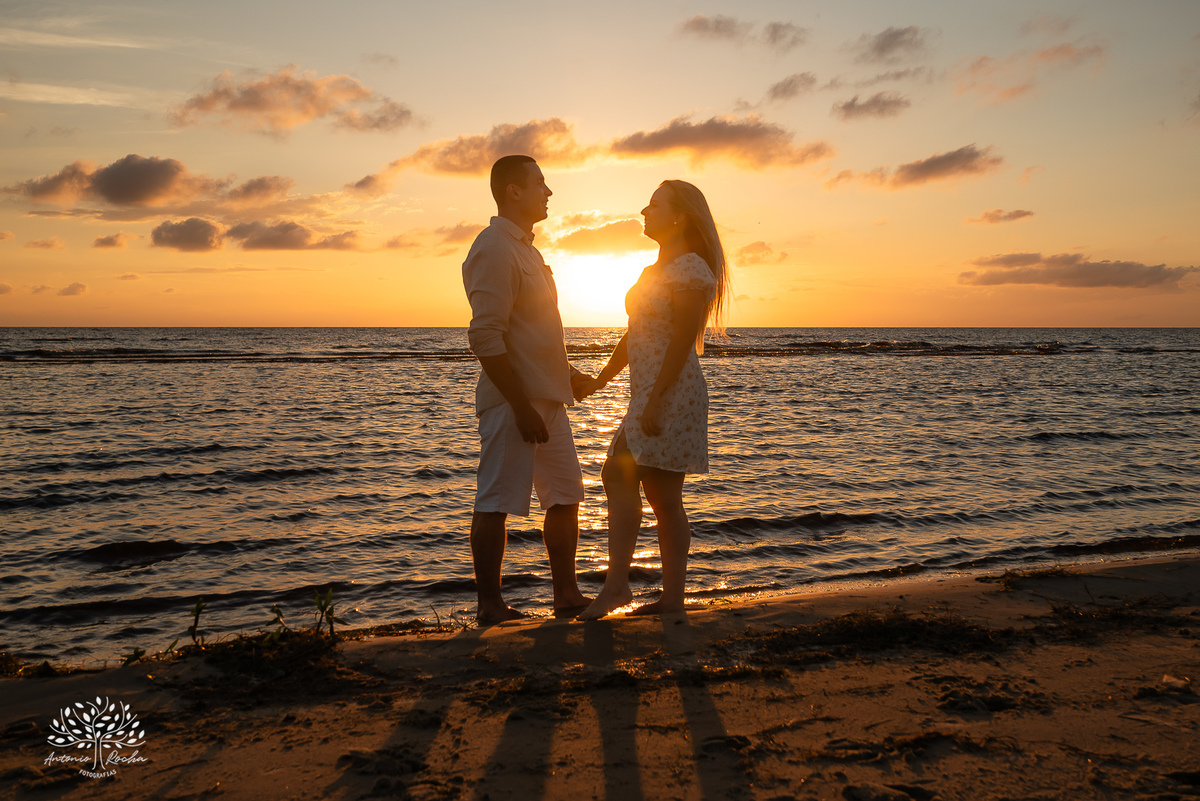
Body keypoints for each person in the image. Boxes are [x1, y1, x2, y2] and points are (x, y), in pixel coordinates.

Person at [576, 180, 731, 620]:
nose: (645, 211)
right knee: (662, 497)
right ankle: (669, 600)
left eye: (655, 204)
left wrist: (656, 400)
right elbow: (635, 336)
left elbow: (683, 340)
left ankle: (618, 587)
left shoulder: (691, 269)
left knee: (617, 474)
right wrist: (603, 379)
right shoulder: (653, 273)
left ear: (679, 215)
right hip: (648, 392)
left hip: (672, 392)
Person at [461, 154, 593, 624]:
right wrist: (519, 406)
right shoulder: (494, 248)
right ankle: (490, 606)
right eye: (541, 183)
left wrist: (569, 372)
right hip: (513, 402)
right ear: (512, 191)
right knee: (496, 499)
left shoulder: (528, 251)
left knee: (564, 494)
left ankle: (566, 594)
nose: (549, 191)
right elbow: (485, 335)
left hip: (548, 397)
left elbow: (534, 332)